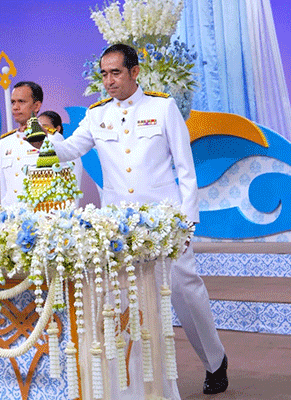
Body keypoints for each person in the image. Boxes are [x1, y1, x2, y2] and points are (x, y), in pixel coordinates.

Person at [49, 43, 228, 395]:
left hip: (165, 224)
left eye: (116, 72)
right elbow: (69, 150)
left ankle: (215, 360)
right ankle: (137, 380)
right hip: (118, 227)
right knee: (126, 301)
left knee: (185, 293)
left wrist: (187, 222)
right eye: (104, 74)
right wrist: (42, 137)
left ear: (134, 72)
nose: (109, 81)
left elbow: (185, 168)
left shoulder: (162, 107)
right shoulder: (97, 114)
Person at [0, 81, 80, 205]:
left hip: (41, 214)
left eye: (21, 101)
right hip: (12, 215)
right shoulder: (5, 142)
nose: (15, 107)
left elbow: (67, 186)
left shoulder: (52, 138)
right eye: (13, 102)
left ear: (36, 106)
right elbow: (4, 190)